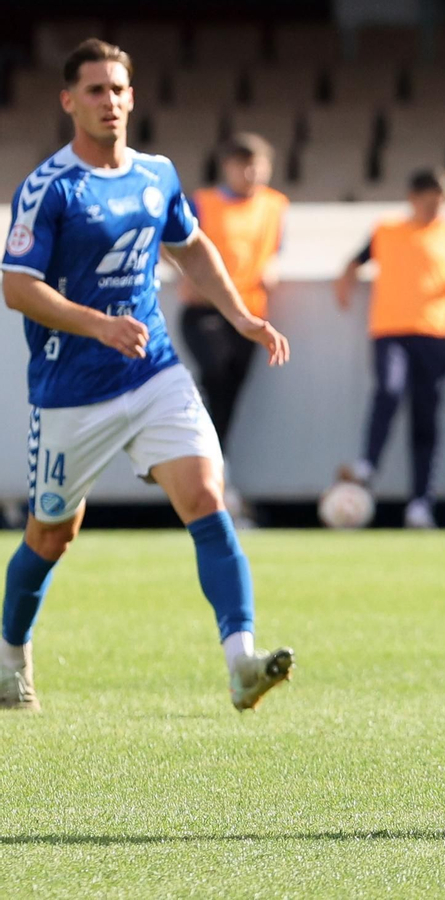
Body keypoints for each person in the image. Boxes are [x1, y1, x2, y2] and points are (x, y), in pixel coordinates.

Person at [0, 39, 295, 712]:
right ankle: (10, 658)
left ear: (132, 97)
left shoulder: (157, 175)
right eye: (95, 90)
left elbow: (191, 247)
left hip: (153, 371)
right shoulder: (50, 188)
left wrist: (241, 316)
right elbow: (17, 288)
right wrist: (98, 324)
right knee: (51, 535)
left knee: (207, 499)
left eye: (118, 89)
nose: (109, 101)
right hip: (71, 392)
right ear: (69, 100)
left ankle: (241, 661)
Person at [334, 167, 445, 529]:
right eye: (430, 201)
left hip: (435, 332)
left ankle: (421, 502)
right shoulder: (387, 230)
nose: (436, 209)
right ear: (413, 199)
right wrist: (345, 281)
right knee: (388, 390)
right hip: (390, 329)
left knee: (425, 416)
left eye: (441, 203)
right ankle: (367, 464)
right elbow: (355, 260)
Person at [180, 132, 288, 522]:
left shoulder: (275, 205)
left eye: (257, 165)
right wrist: (188, 276)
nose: (251, 173)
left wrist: (272, 267)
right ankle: (195, 446)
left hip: (250, 317)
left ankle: (215, 474)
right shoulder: (202, 202)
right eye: (243, 165)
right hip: (207, 310)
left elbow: (274, 249)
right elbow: (171, 243)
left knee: (228, 397)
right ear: (227, 167)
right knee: (214, 372)